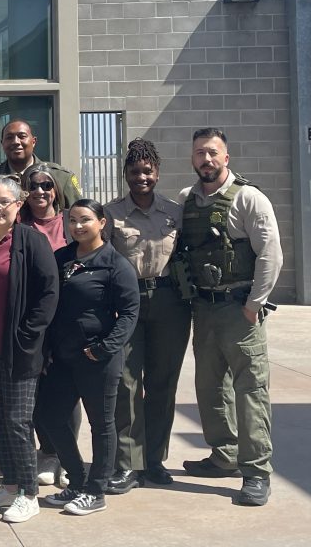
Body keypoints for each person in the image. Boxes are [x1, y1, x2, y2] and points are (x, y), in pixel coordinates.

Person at [178, 128, 282, 506]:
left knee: (250, 390)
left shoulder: (249, 198)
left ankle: (256, 472)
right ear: (192, 158)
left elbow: (271, 255)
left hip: (240, 310)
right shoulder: (187, 200)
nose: (206, 160)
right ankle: (224, 456)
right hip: (203, 309)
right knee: (209, 387)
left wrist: (255, 303)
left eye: (213, 153)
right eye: (199, 153)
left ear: (227, 157)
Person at [0, 176, 59, 524]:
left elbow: (49, 292)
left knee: (18, 420)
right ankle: (9, 483)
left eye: (5, 201)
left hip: (19, 349)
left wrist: (29, 334)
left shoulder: (31, 241)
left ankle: (28, 493)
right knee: (2, 418)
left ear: (19, 205)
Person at [37, 200, 139, 516]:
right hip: (63, 357)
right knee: (49, 417)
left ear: (101, 222)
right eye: (73, 221)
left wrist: (105, 347)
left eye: (86, 220)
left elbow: (129, 313)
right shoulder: (62, 258)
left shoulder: (114, 264)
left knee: (102, 424)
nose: (78, 226)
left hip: (98, 359)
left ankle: (96, 491)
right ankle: (77, 481)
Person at [103, 139, 189, 494]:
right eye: (135, 171)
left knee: (162, 383)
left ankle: (154, 460)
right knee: (126, 384)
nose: (142, 177)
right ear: (125, 174)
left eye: (148, 171)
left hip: (169, 301)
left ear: (157, 173)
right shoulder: (111, 213)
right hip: (128, 302)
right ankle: (127, 464)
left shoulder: (174, 211)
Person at [20, 162, 77, 488]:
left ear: (56, 189)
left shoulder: (70, 223)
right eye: (33, 186)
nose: (39, 191)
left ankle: (67, 456)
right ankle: (48, 452)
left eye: (46, 185)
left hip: (67, 319)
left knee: (67, 392)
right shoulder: (19, 225)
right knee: (37, 393)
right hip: (33, 321)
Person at [0, 120, 81, 213]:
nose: (16, 142)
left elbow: (78, 214)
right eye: (9, 137)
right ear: (2, 143)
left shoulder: (61, 177)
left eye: (22, 136)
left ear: (34, 141)